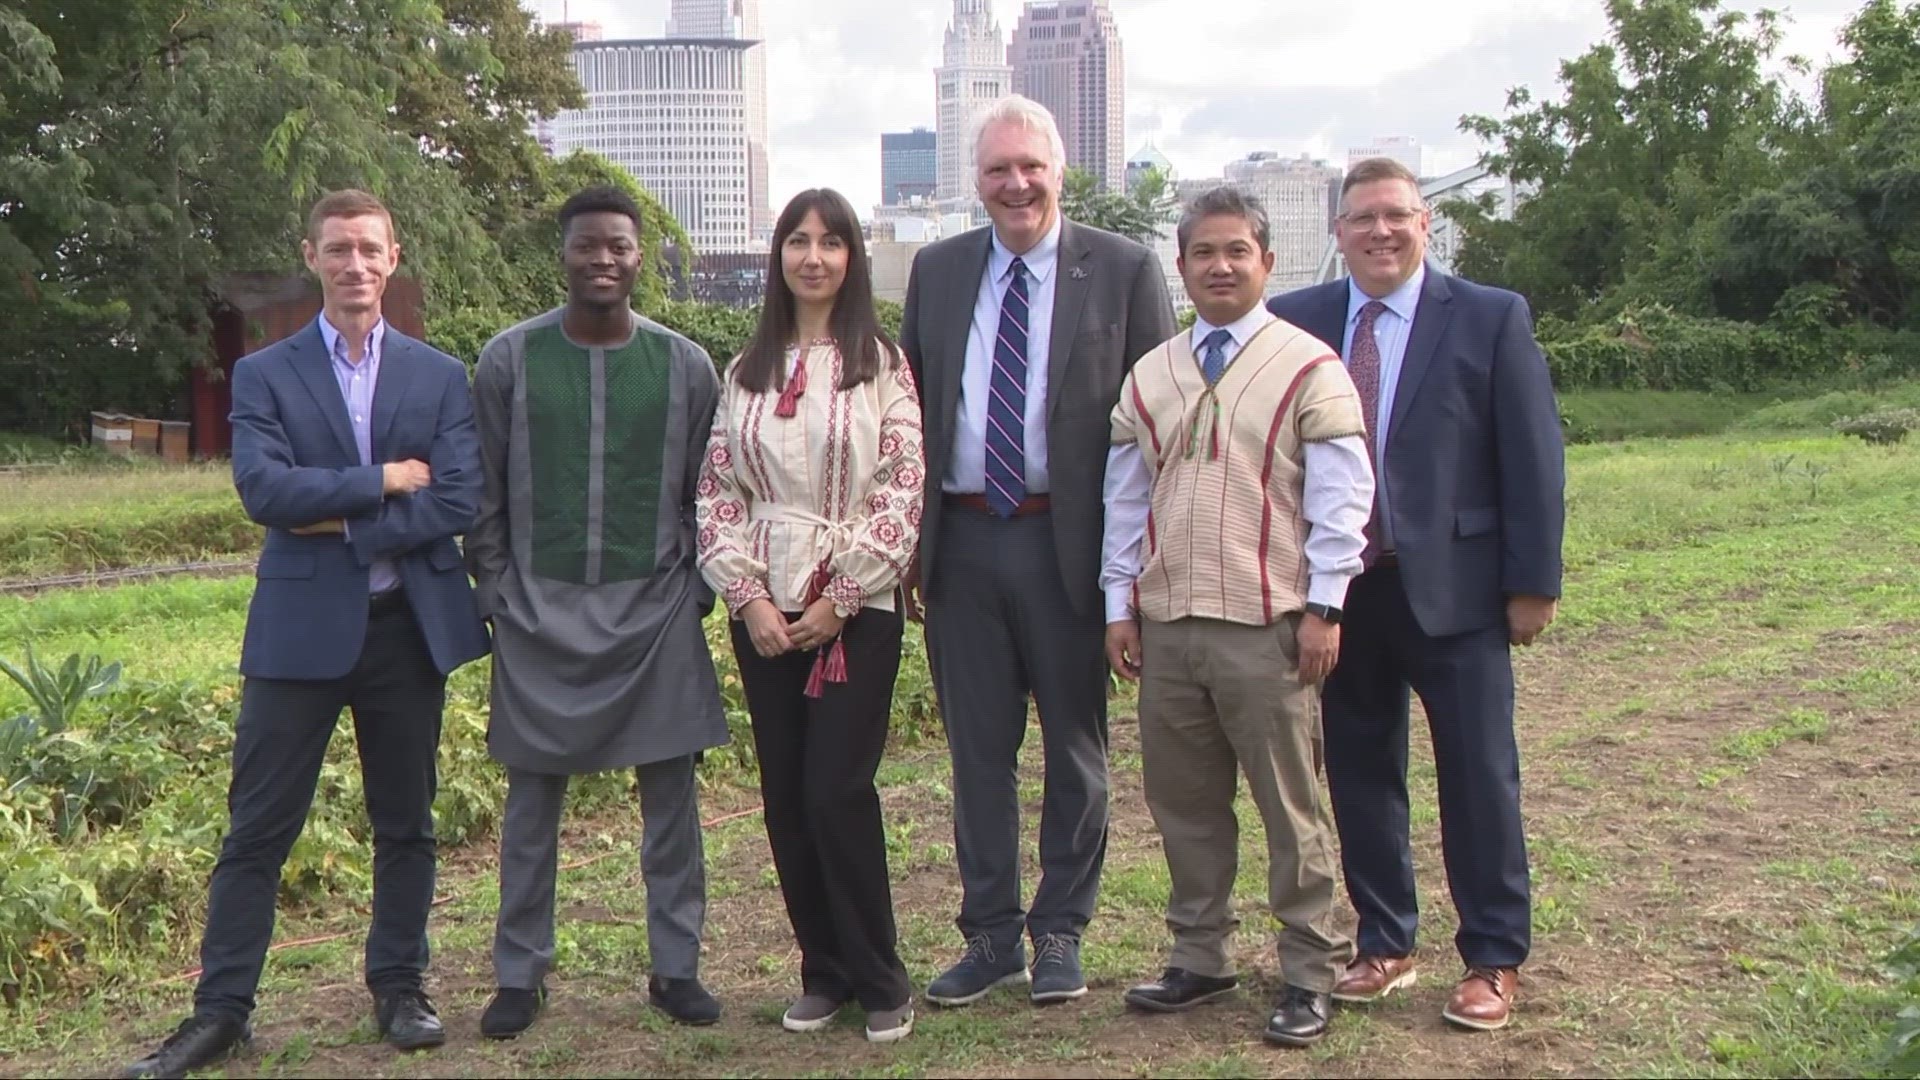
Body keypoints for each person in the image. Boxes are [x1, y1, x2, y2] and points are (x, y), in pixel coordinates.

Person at [124, 190, 491, 1079]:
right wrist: (384, 479)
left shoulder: (441, 375)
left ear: (392, 258)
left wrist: (350, 516)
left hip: (407, 630)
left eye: (370, 249)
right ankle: (221, 1013)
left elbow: (456, 498)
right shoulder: (265, 373)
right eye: (338, 250)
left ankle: (399, 986)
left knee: (406, 823)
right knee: (256, 829)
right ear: (313, 256)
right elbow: (265, 493)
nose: (355, 265)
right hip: (298, 633)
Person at [1266, 157, 1565, 1031]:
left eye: (1396, 216)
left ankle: (1494, 957)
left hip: (1459, 593)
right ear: (1338, 232)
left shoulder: (1487, 317)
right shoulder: (1299, 321)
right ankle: (1386, 940)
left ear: (1425, 224)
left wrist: (1531, 582)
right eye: (1362, 219)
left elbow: (1533, 459)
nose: (1380, 232)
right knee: (1360, 773)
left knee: (1478, 776)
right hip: (1344, 593)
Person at [899, 94, 1177, 1008]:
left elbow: (1156, 424)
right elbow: (909, 418)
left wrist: (1134, 574)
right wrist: (909, 545)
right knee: (978, 753)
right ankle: (988, 937)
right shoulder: (936, 273)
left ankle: (1060, 928)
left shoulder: (1126, 270)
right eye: (997, 170)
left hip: (1073, 544)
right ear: (975, 182)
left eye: (1031, 167)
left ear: (1060, 170)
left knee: (1076, 746)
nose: (1016, 184)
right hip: (964, 542)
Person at [1103, 187, 1372, 1047]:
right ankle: (1201, 954)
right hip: (1172, 621)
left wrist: (1326, 604)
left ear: (1266, 260)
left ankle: (1310, 968)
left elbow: (1340, 499)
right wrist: (1121, 605)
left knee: (1290, 806)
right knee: (1185, 806)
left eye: (1236, 252)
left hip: (1270, 622)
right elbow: (1125, 500)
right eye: (1203, 254)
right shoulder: (1153, 373)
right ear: (1180, 267)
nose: (1220, 266)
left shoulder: (1308, 366)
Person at [465, 185, 730, 1038]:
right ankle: (519, 973)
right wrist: (500, 591)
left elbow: (712, 493)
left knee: (672, 808)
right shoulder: (508, 359)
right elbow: (483, 494)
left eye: (618, 245)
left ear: (639, 256)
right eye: (588, 246)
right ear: (565, 254)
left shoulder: (687, 364)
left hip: (655, 617)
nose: (603, 259)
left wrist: (695, 591)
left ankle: (675, 967)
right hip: (537, 618)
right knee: (531, 806)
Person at [695, 188, 925, 1044]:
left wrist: (843, 594)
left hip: (852, 607)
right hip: (763, 608)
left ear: (853, 258)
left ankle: (880, 973)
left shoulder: (882, 365)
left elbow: (902, 486)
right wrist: (747, 594)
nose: (815, 257)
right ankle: (822, 970)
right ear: (779, 256)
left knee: (837, 788)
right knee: (786, 796)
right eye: (799, 240)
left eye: (832, 242)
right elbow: (717, 489)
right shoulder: (747, 368)